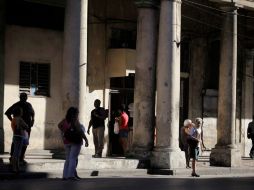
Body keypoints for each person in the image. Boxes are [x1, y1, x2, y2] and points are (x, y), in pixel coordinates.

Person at [58, 107, 89, 180]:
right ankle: (71, 175)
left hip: (66, 141)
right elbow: (80, 131)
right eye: (77, 113)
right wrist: (86, 139)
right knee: (73, 158)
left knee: (68, 158)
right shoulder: (75, 121)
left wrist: (64, 132)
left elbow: (59, 126)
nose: (78, 114)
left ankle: (65, 175)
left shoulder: (64, 120)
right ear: (75, 114)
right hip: (75, 142)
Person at [5, 93, 35, 164]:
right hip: (19, 128)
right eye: (22, 97)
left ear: (27, 98)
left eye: (25, 97)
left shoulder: (29, 105)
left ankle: (21, 158)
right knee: (16, 142)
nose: (24, 98)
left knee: (25, 143)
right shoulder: (16, 105)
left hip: (27, 127)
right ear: (20, 97)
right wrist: (13, 121)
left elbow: (33, 113)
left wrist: (33, 120)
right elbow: (7, 113)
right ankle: (12, 157)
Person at [10, 107, 29, 173]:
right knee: (17, 153)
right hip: (19, 136)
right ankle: (15, 168)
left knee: (16, 152)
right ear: (19, 112)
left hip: (15, 136)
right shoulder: (19, 119)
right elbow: (26, 126)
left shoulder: (13, 119)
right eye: (21, 111)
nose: (22, 112)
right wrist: (24, 126)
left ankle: (16, 167)